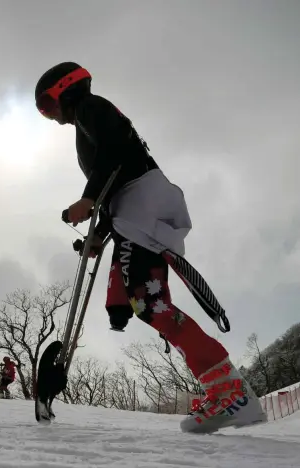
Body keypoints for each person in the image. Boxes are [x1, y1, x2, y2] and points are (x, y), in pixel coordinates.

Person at [34, 62, 267, 433]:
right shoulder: (87, 121)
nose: (49, 116)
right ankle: (227, 389)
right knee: (148, 302)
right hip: (139, 209)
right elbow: (118, 176)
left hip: (142, 205)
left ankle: (230, 392)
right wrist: (100, 231)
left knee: (151, 304)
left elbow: (114, 154)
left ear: (65, 88)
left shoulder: (90, 109)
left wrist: (88, 198)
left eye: (46, 105)